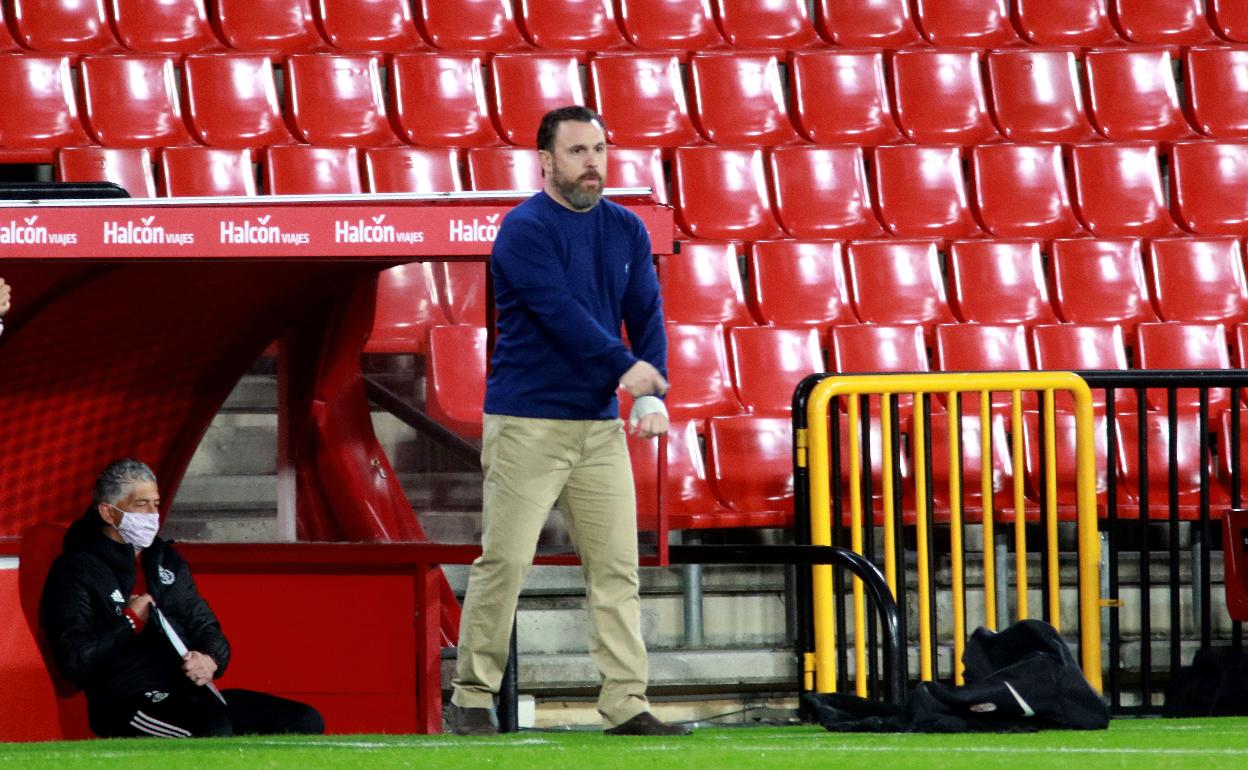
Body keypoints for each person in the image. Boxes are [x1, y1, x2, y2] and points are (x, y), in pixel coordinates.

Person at [447, 105, 689, 737]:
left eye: (601, 150)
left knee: (616, 569)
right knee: (505, 561)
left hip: (598, 427)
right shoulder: (524, 229)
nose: (593, 163)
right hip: (527, 423)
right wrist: (625, 369)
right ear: (546, 160)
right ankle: (472, 695)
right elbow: (560, 315)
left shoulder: (627, 229)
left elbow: (648, 313)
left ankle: (626, 702)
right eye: (579, 151)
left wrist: (651, 387)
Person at [41, 459, 325, 738]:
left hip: (191, 695)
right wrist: (128, 621)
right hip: (128, 702)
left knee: (303, 721)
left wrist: (211, 659)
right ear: (108, 512)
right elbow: (74, 660)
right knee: (211, 729)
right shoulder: (76, 568)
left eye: (155, 504)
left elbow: (206, 626)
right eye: (141, 505)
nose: (152, 515)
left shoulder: (166, 560)